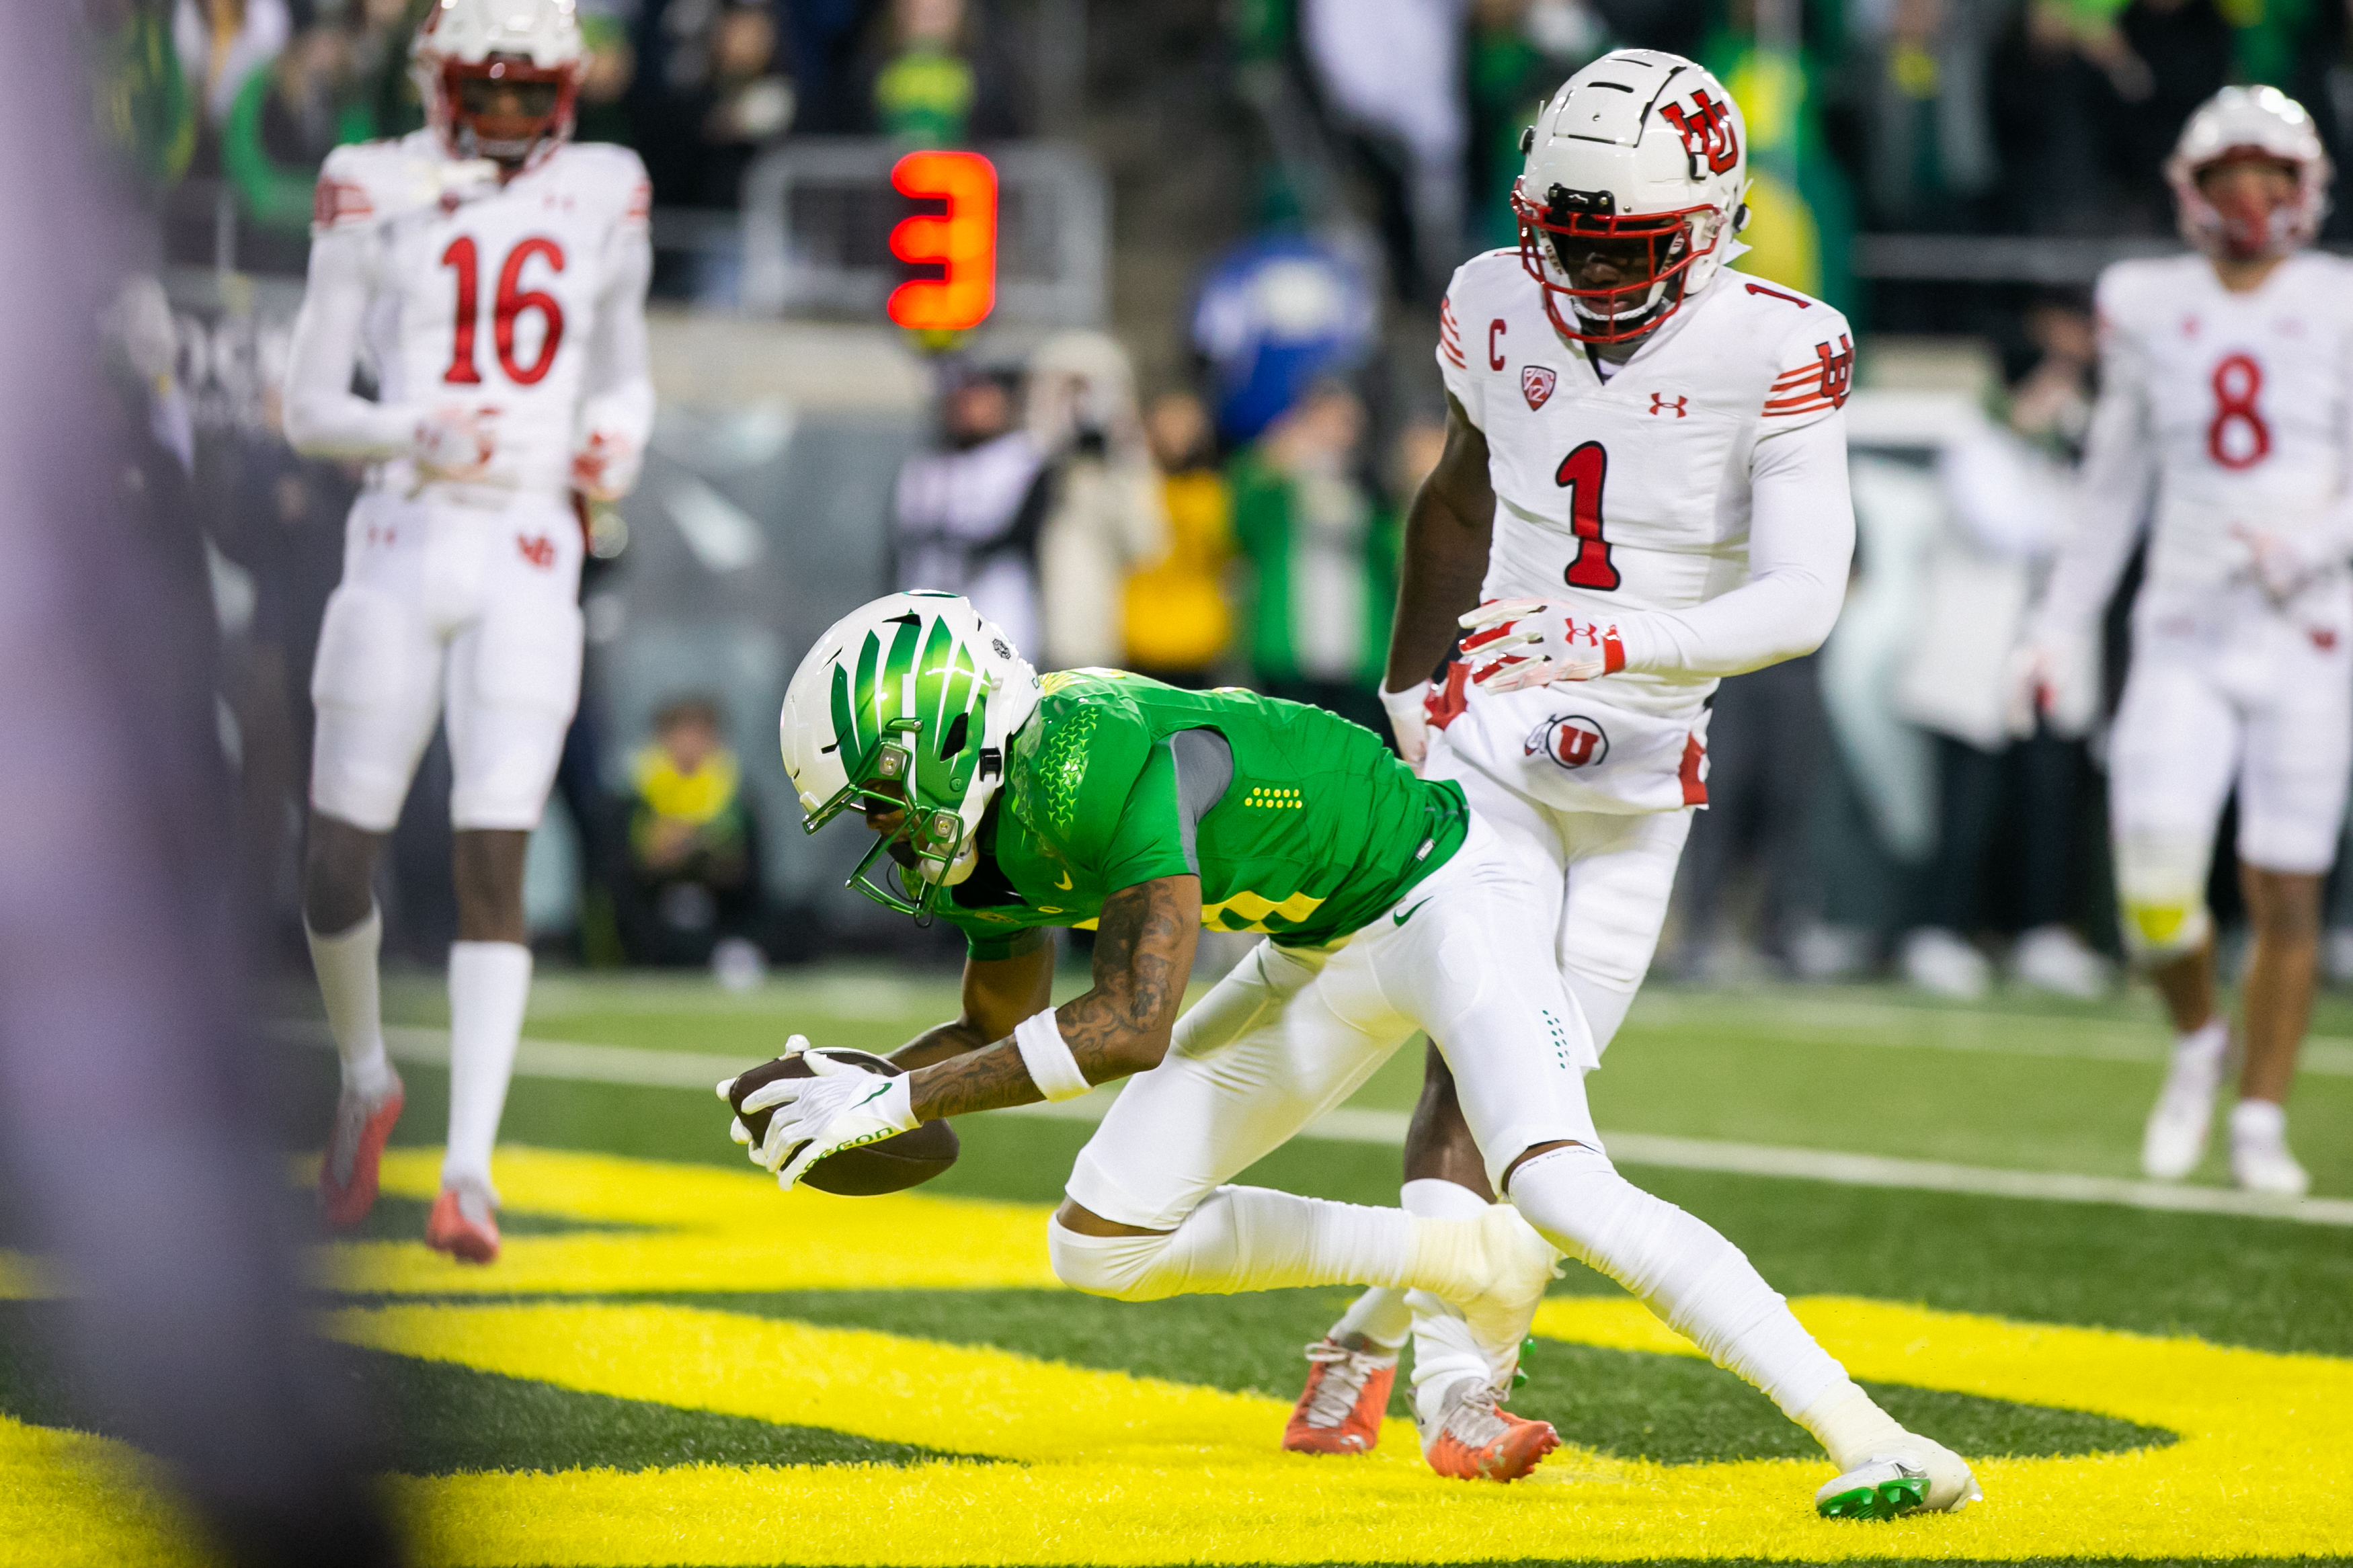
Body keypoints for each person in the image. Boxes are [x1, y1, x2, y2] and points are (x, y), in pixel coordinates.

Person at [737, 591, 1975, 1512]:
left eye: (887, 802)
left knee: (1560, 1179)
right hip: (1316, 947)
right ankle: (1470, 1258)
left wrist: (895, 1095)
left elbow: (1130, 1022)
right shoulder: (990, 827)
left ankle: (1876, 1434)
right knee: (1100, 1240)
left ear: (954, 741)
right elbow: (998, 1030)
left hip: (1449, 895)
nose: (891, 840)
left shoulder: (1089, 748)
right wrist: (855, 1098)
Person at [1291, 51, 1916, 1512]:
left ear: (1708, 225)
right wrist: (1404, 686)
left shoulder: (1780, 341)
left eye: (1618, 244)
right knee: (1487, 1061)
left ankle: (1359, 1331)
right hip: (1494, 742)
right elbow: (1455, 491)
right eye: (1558, 232)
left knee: (1543, 1092)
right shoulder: (1491, 297)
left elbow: (1805, 595)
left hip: (1644, 774)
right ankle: (1459, 1388)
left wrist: (1616, 633)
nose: (1576, 265)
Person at [281, 0, 655, 1262]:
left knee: (498, 850)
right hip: (400, 528)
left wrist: (621, 436)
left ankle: (470, 1169)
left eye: (524, 96)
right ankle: (366, 1074)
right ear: (439, 82)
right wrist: (407, 430)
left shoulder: (607, 185)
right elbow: (309, 402)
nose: (503, 121)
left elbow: (623, 364)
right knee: (337, 858)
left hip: (532, 545)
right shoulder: (367, 182)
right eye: (483, 94)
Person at [2015, 87, 2350, 1197]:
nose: (2250, 199)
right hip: (2184, 625)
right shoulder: (2146, 301)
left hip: (2309, 627)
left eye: (2270, 176)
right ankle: (2199, 1033)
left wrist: (2311, 546)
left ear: (2305, 188)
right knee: (2155, 882)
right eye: (2230, 176)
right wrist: (2057, 623)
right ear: (2191, 189)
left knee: (2285, 884)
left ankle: (2259, 1115)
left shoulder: (2340, 300)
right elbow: (2112, 484)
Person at [1229, 380, 1394, 734]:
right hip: (1290, 649)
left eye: (1347, 421)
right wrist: (1268, 467)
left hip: (1358, 652)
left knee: (1353, 758)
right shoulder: (1275, 473)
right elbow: (1239, 530)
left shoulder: (1372, 480)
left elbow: (1397, 556)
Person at [891, 362, 1049, 657]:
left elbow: (1025, 534)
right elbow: (902, 540)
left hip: (998, 605)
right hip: (926, 608)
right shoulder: (926, 466)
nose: (970, 410)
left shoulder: (1023, 460)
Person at [617, 696, 764, 970]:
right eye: (680, 733)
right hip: (652, 916)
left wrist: (695, 845)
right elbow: (631, 863)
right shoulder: (639, 790)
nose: (689, 745)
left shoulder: (733, 790)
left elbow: (742, 866)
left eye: (700, 735)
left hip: (720, 908)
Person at [1121, 390, 1235, 688]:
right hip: (1141, 634)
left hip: (1199, 637)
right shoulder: (1135, 484)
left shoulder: (1213, 491)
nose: (1178, 433)